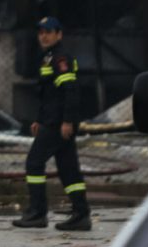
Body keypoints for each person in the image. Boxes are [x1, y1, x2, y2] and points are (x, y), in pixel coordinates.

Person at [13, 16, 91, 231]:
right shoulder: (48, 58)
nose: (44, 36)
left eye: (48, 32)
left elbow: (70, 92)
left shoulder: (61, 58)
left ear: (59, 34)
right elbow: (48, 94)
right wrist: (39, 119)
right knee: (68, 170)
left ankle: (38, 213)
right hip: (51, 121)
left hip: (58, 123)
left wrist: (67, 121)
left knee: (34, 163)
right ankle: (81, 214)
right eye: (41, 32)